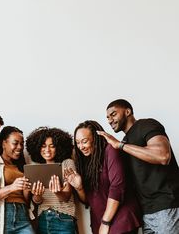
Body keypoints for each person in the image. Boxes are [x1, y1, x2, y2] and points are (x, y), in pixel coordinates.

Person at [99, 99, 179, 233]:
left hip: (166, 207)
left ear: (128, 111)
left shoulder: (146, 125)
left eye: (113, 114)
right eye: (107, 117)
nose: (110, 120)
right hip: (146, 213)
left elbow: (163, 156)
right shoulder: (125, 141)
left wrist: (120, 145)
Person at [65, 120, 141, 234]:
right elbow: (88, 201)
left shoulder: (110, 150)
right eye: (78, 142)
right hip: (99, 222)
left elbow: (118, 188)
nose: (81, 146)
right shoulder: (85, 163)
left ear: (95, 139)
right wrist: (79, 188)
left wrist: (105, 222)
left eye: (84, 141)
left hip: (120, 220)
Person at [0, 126, 35, 234]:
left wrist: (29, 191)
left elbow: (26, 201)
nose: (20, 147)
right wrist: (12, 187)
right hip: (2, 216)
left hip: (23, 215)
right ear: (4, 143)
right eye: (15, 143)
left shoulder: (22, 167)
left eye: (22, 144)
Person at [26, 127, 77, 234]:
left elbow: (66, 197)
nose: (47, 150)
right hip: (43, 219)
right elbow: (37, 201)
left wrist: (57, 192)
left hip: (63, 218)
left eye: (52, 146)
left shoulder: (67, 163)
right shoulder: (36, 168)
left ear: (58, 147)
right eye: (43, 146)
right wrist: (37, 195)